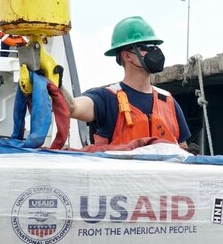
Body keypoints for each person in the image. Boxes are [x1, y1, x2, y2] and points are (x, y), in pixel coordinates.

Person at [68, 16, 191, 147]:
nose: (154, 52)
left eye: (154, 46)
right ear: (126, 55)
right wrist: (53, 88)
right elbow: (72, 107)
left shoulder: (169, 102)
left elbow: (183, 151)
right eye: (146, 47)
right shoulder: (107, 99)